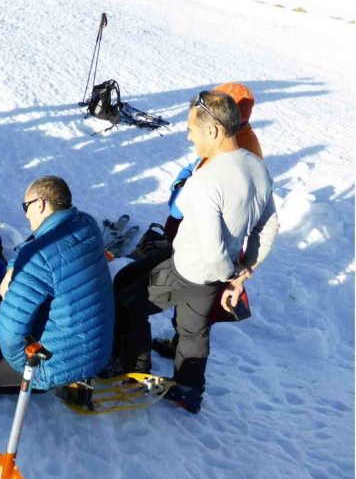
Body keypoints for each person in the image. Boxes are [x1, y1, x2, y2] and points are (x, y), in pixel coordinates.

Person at [111, 91, 278, 413]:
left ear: (213, 131)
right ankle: (188, 389)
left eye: (192, 129)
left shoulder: (206, 180)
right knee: (193, 329)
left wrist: (228, 274)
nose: (188, 136)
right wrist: (242, 272)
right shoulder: (256, 166)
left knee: (128, 305)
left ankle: (133, 373)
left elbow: (208, 244)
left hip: (190, 269)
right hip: (218, 271)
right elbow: (268, 226)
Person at [0, 176, 114, 394]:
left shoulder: (38, 259)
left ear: (40, 204)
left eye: (25, 207)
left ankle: (65, 380)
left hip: (59, 363)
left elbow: (11, 332)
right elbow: (33, 243)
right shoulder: (85, 224)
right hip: (97, 348)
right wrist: (13, 268)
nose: (26, 214)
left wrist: (24, 367)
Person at [152, 82, 264, 358]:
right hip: (221, 246)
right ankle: (186, 367)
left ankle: (164, 349)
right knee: (196, 314)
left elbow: (180, 208)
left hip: (201, 251)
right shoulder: (245, 147)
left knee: (136, 297)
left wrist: (228, 273)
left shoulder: (226, 160)